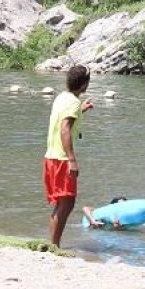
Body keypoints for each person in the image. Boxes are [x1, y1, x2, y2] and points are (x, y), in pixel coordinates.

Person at [43, 64, 94, 247]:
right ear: (84, 85)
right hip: (62, 160)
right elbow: (65, 129)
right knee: (67, 203)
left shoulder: (63, 98)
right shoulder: (73, 103)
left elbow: (65, 116)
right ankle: (54, 246)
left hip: (51, 157)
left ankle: (53, 244)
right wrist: (72, 160)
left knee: (62, 204)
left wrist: (82, 110)